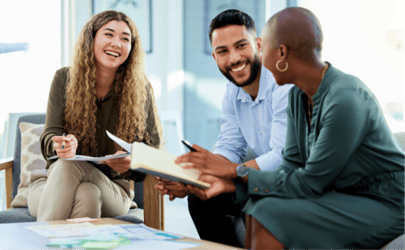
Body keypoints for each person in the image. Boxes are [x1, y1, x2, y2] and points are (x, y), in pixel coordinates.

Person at [179, 7, 405, 249]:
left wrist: (233, 178)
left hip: (385, 201)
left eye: (262, 47)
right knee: (260, 207)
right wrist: (223, 180)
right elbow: (290, 166)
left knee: (270, 215)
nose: (258, 57)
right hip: (340, 192)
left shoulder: (345, 98)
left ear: (282, 53)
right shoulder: (299, 96)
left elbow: (311, 182)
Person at [155, 9, 292, 247]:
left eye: (241, 46)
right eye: (223, 51)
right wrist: (191, 180)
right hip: (257, 175)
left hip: (287, 181)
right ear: (215, 57)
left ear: (258, 44)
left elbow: (281, 158)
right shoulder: (232, 92)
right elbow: (229, 146)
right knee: (201, 199)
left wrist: (227, 170)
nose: (234, 58)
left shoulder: (282, 85)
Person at [27, 10, 163, 221]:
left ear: (132, 48)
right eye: (109, 34)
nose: (117, 43)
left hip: (113, 189)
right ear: (91, 39)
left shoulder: (141, 89)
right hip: (51, 183)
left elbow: (154, 151)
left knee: (70, 168)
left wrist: (132, 162)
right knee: (87, 194)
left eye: (125, 39)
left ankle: (40, 240)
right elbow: (50, 135)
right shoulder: (64, 79)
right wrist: (61, 145)